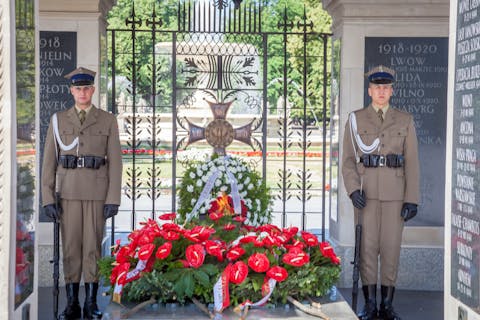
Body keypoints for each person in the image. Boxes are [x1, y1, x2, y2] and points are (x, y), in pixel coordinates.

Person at [41, 67, 122, 320]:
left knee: (92, 249)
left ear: (93, 90)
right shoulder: (58, 120)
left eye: (87, 88)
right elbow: (48, 162)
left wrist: (113, 199)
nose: (82, 92)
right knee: (71, 248)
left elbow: (116, 162)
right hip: (68, 193)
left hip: (97, 194)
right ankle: (72, 303)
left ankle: (91, 302)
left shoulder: (107, 120)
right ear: (71, 91)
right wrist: (47, 198)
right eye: (78, 88)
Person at [342, 65, 420, 320]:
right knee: (366, 249)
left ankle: (387, 305)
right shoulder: (356, 119)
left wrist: (412, 199)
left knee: (390, 250)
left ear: (392, 91)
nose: (381, 91)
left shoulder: (405, 120)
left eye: (386, 87)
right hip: (366, 196)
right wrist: (353, 190)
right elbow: (348, 161)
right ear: (370, 91)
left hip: (395, 195)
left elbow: (412, 163)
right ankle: (370, 305)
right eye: (377, 87)